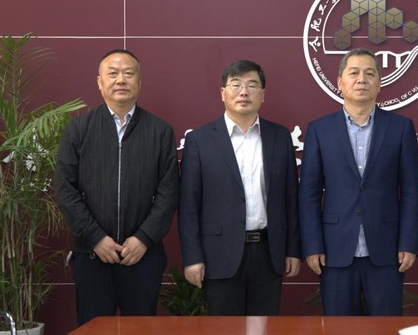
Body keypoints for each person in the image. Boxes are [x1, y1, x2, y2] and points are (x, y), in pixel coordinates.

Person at [54, 49, 179, 326]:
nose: (120, 80)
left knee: (141, 329)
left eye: (128, 73)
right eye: (112, 73)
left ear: (139, 82)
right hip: (92, 254)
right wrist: (96, 237)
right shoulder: (78, 129)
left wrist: (144, 238)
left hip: (142, 256)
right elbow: (64, 189)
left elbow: (169, 192)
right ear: (100, 82)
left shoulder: (160, 131)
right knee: (93, 329)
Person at [298, 48, 418, 316]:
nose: (361, 79)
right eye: (353, 73)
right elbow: (309, 194)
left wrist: (408, 242)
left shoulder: (400, 127)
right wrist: (313, 245)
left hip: (388, 249)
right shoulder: (320, 130)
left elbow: (411, 191)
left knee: (387, 326)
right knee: (339, 328)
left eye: (369, 73)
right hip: (335, 249)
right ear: (340, 82)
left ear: (379, 83)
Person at [178, 60, 301, 315]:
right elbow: (188, 205)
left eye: (252, 85)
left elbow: (290, 199)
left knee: (262, 327)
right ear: (223, 93)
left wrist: (292, 249)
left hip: (268, 252)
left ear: (263, 94)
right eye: (236, 85)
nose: (244, 92)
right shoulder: (200, 140)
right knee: (224, 329)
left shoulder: (280, 137)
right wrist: (192, 257)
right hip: (218, 254)